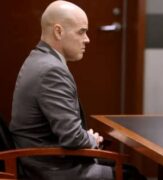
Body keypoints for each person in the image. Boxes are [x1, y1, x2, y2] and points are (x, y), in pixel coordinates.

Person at [9, 1, 114, 179]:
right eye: (81, 32)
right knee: (131, 175)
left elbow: (69, 133)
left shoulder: (38, 58)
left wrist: (84, 136)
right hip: (50, 169)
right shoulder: (51, 70)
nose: (87, 39)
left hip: (41, 160)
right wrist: (92, 140)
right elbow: (72, 138)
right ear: (58, 31)